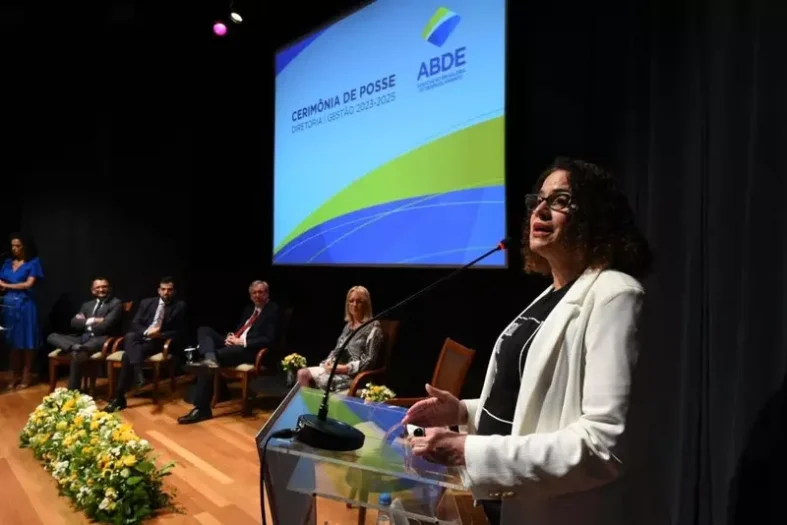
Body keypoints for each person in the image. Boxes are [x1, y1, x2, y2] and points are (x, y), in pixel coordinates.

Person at [403, 157, 653, 525]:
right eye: (538, 199)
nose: (541, 208)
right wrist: (463, 412)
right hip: (502, 505)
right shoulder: (551, 295)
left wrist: (467, 451)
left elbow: (602, 446)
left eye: (561, 200)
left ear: (595, 216)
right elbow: (534, 402)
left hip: (559, 512)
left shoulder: (616, 295)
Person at [177, 280, 280, 424]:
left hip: (250, 351)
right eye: (254, 293)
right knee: (204, 330)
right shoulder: (249, 309)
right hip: (236, 345)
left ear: (267, 293)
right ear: (250, 296)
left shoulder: (273, 310)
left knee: (206, 364)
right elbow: (241, 328)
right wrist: (232, 337)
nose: (257, 295)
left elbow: (270, 339)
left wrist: (241, 342)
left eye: (260, 292)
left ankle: (202, 409)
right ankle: (210, 358)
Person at [104, 276, 185, 412]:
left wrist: (160, 335)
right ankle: (138, 372)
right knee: (130, 335)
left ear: (174, 291)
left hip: (158, 341)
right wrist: (147, 333)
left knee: (126, 357)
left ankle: (119, 398)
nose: (166, 293)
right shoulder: (146, 302)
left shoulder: (179, 306)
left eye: (169, 290)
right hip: (142, 337)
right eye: (163, 289)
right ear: (159, 290)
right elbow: (135, 323)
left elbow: (179, 331)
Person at [297, 285, 384, 393]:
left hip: (353, 375)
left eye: (359, 301)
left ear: (366, 304)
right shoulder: (348, 326)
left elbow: (370, 360)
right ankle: (307, 408)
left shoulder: (373, 327)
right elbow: (337, 350)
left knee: (323, 380)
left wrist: (345, 368)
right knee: (302, 373)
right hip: (336, 370)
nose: (354, 305)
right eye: (351, 301)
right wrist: (329, 362)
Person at [46, 277, 122, 390]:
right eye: (98, 287)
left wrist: (85, 322)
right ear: (92, 290)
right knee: (52, 336)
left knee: (78, 356)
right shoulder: (87, 305)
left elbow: (106, 325)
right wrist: (93, 320)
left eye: (104, 287)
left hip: (100, 339)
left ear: (109, 288)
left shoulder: (116, 303)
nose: (101, 289)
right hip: (82, 338)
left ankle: (72, 392)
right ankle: (74, 347)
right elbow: (74, 323)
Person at [1, 233, 44, 390]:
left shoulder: (33, 262)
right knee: (12, 342)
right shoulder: (7, 263)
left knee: (27, 340)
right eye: (13, 245)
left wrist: (7, 286)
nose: (15, 249)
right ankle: (14, 375)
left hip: (26, 305)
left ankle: (27, 374)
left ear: (25, 246)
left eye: (18, 245)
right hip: (8, 305)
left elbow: (28, 284)